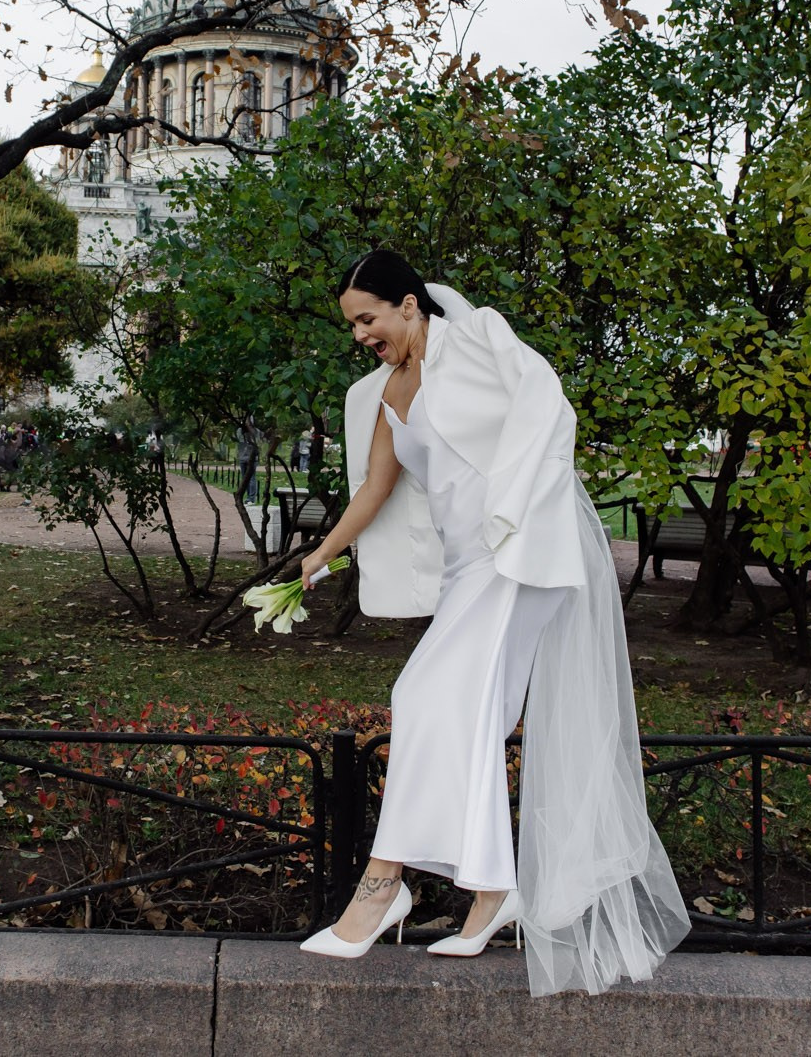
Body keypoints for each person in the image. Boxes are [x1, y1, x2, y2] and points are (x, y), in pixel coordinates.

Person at [292, 249, 688, 995]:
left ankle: (382, 887)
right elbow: (375, 490)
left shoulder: (475, 339)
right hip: (472, 570)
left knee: (420, 698)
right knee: (464, 715)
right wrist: (322, 553)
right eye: (352, 326)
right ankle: (492, 890)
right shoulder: (386, 394)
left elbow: (546, 398)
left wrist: (515, 501)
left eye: (367, 318)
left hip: (518, 553)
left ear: (410, 304)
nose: (360, 335)